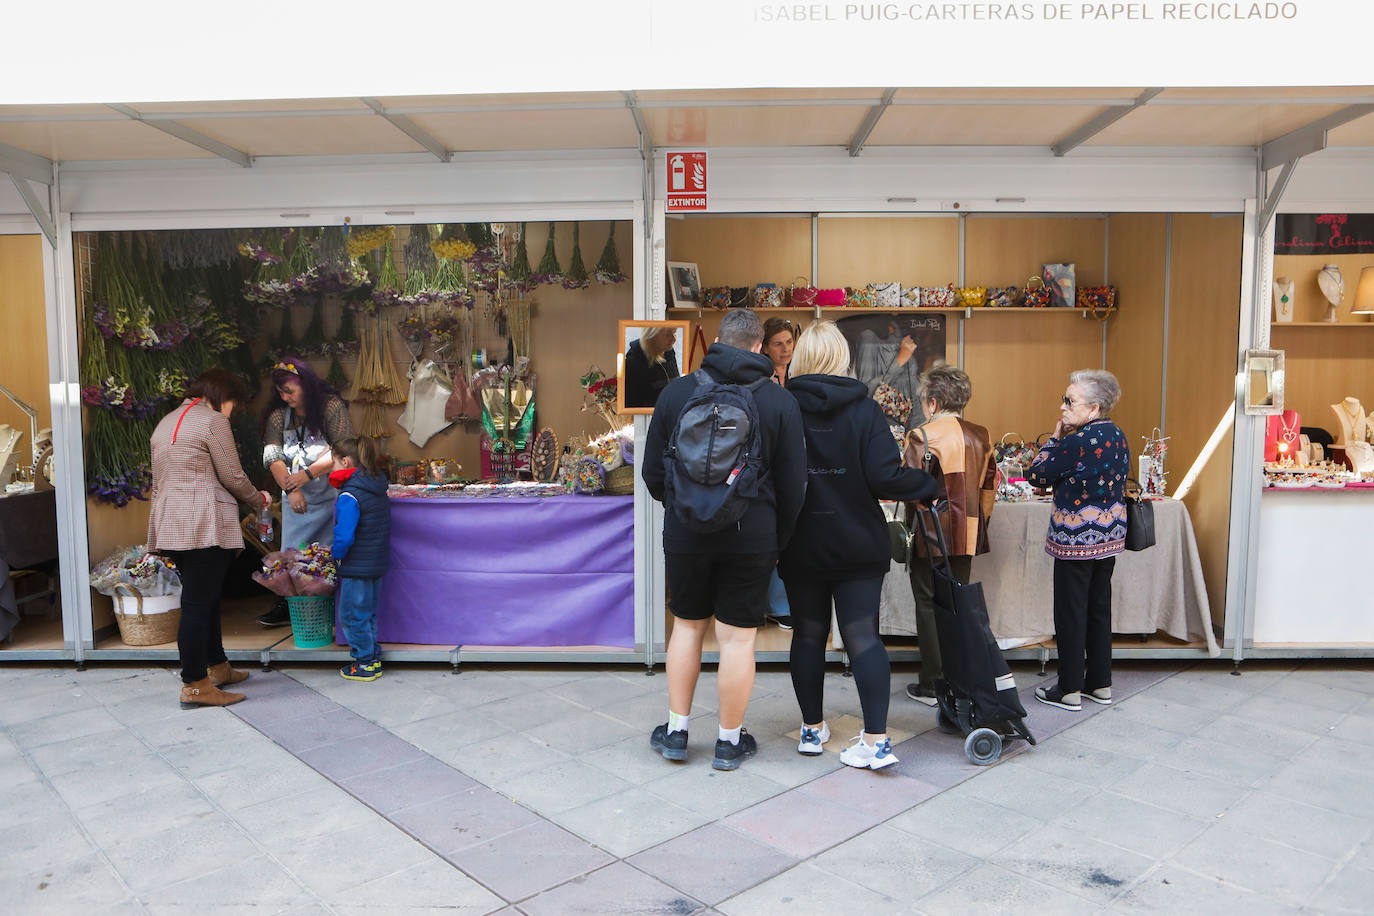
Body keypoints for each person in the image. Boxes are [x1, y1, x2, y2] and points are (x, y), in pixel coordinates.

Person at [642, 308, 807, 771]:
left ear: (717, 341)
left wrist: (682, 508)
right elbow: (795, 486)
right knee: (737, 640)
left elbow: (653, 471)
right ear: (758, 346)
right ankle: (728, 742)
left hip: (686, 532)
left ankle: (676, 732)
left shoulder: (676, 393)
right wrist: (777, 536)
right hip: (751, 535)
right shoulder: (778, 401)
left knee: (688, 627)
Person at [781, 322, 938, 770]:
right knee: (863, 636)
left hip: (800, 542)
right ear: (841, 357)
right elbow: (885, 478)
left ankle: (811, 731)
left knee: (808, 635)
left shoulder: (783, 407)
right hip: (857, 542)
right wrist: (929, 482)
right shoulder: (865, 410)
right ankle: (875, 741)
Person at [147, 369, 273, 710]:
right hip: (204, 522)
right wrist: (259, 499)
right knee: (198, 604)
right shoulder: (212, 420)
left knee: (205, 598)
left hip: (171, 522)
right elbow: (232, 474)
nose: (233, 412)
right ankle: (195, 685)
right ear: (222, 395)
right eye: (234, 404)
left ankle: (218, 667)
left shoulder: (166, 422)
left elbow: (159, 481)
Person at [1026, 369, 1130, 712]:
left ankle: (1069, 689)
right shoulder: (1118, 435)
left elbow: (1036, 475)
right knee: (1099, 609)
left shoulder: (1076, 441)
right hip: (1109, 536)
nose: (1063, 406)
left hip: (1075, 541)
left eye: (1070, 401)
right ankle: (1100, 683)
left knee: (1071, 613)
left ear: (1093, 408)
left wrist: (1054, 439)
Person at [901, 364, 996, 707]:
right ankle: (959, 680)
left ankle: (932, 683)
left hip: (929, 533)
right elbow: (989, 489)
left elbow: (909, 489)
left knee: (928, 604)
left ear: (933, 402)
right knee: (957, 604)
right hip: (967, 533)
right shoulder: (981, 434)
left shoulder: (920, 436)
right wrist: (977, 522)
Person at [257, 356, 354, 627]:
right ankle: (290, 604)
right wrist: (290, 487)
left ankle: (331, 607)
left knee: (327, 554)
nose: (285, 397)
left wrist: (306, 476)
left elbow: (342, 450)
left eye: (289, 391)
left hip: (329, 496)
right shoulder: (279, 416)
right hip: (296, 501)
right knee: (293, 552)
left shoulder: (330, 407)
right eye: (280, 392)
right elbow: (273, 457)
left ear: (307, 386)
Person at [329, 436, 392, 682]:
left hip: (356, 566)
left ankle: (365, 663)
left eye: (334, 463)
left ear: (345, 462)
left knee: (352, 615)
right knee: (367, 613)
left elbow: (344, 536)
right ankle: (372, 656)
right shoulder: (376, 487)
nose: (332, 469)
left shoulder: (349, 495)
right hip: (376, 563)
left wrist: (336, 555)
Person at [761, 316, 798, 630]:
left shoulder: (802, 374)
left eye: (789, 342)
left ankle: (787, 604)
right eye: (778, 343)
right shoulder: (761, 378)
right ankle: (773, 605)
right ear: (765, 346)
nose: (785, 349)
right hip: (769, 465)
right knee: (771, 535)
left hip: (796, 461)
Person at [623, 325, 680, 408]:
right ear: (651, 336)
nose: (674, 339)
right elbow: (632, 405)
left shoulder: (669, 353)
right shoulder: (632, 363)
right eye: (667, 334)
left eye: (674, 333)